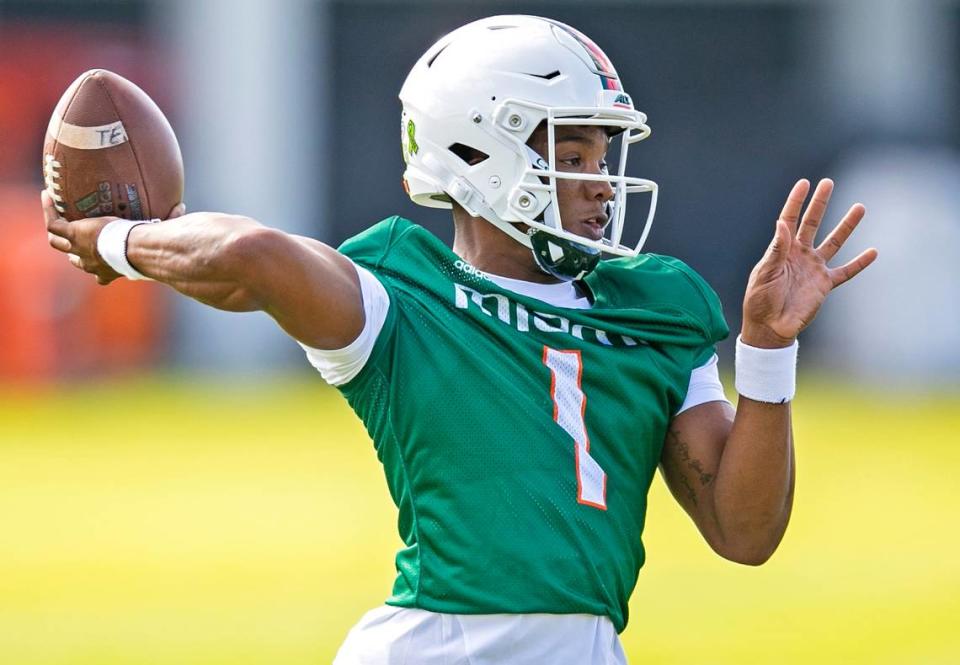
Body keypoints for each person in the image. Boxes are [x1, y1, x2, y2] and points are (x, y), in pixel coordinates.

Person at [42, 15, 877, 665]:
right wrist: (115, 241)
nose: (600, 183)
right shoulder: (401, 296)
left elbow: (746, 531)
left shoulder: (654, 306)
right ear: (478, 151)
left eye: (602, 149)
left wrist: (766, 349)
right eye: (573, 151)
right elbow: (250, 256)